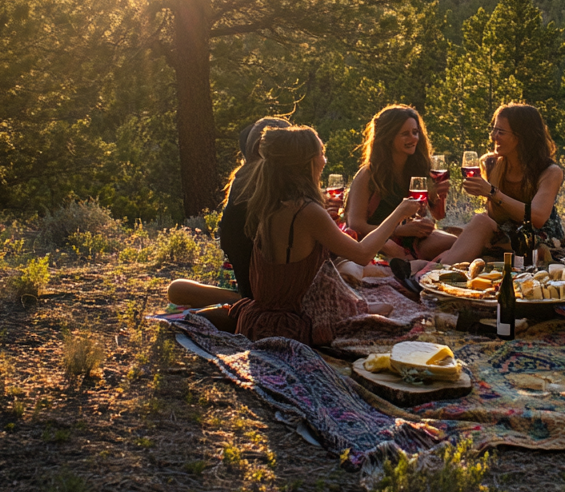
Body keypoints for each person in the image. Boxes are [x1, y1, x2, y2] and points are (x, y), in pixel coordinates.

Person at [168, 126, 423, 344]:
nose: (324, 161)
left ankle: (204, 318)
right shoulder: (308, 211)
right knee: (391, 310)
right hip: (293, 322)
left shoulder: (268, 202)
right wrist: (399, 213)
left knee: (373, 303)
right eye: (321, 154)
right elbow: (363, 254)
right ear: (307, 162)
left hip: (260, 313)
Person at [439, 103, 565, 264]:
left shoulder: (549, 171)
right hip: (504, 236)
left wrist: (492, 192)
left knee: (478, 226)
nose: (493, 136)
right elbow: (494, 216)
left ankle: (438, 272)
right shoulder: (492, 164)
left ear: (522, 136)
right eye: (494, 129)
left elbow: (538, 217)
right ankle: (434, 273)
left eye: (501, 131)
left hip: (538, 239)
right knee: (475, 223)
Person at [346, 105, 457, 266]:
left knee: (456, 244)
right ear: (388, 137)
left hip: (411, 239)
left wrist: (439, 197)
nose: (413, 139)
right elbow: (355, 224)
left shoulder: (419, 169)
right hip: (377, 239)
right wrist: (398, 231)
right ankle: (417, 268)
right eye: (405, 134)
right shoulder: (369, 174)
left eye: (415, 132)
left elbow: (438, 215)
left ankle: (426, 271)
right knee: (391, 248)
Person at [219, 116, 291, 299]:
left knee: (178, 288)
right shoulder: (282, 197)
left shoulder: (240, 184)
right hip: (272, 301)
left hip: (248, 293)